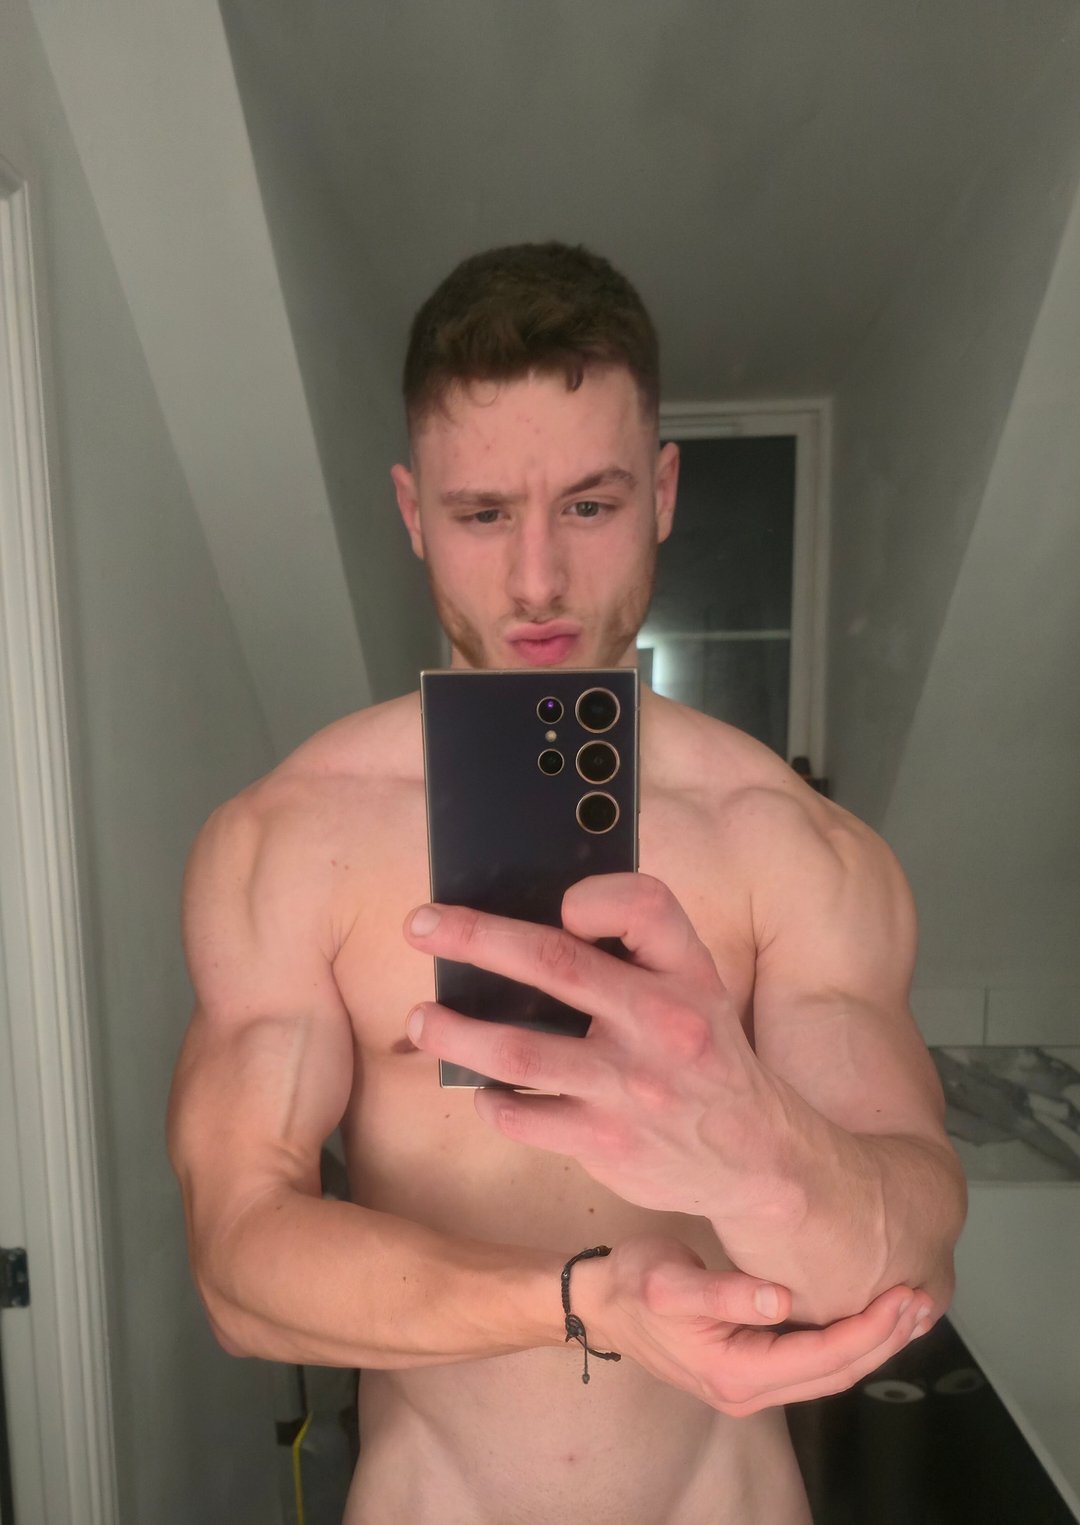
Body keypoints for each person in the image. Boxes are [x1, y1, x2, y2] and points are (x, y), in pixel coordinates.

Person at [167, 241, 966, 1524]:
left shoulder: (789, 842)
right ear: (413, 511)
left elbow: (912, 1249)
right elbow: (237, 1265)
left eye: (588, 507)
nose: (536, 580)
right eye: (483, 513)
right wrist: (585, 1299)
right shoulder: (290, 839)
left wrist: (760, 1152)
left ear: (662, 493)